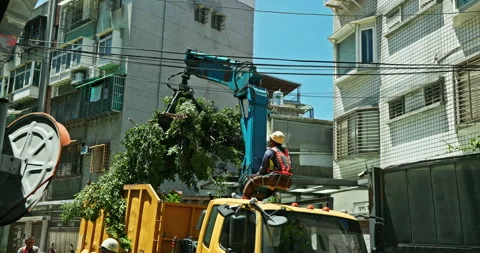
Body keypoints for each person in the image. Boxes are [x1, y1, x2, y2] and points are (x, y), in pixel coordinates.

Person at [239, 131, 293, 200]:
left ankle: (244, 199)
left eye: (270, 140)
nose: (269, 142)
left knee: (251, 179)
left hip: (276, 178)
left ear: (272, 141)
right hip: (287, 181)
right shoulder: (286, 152)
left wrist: (257, 175)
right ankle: (259, 199)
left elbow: (263, 170)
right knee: (272, 186)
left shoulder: (270, 152)